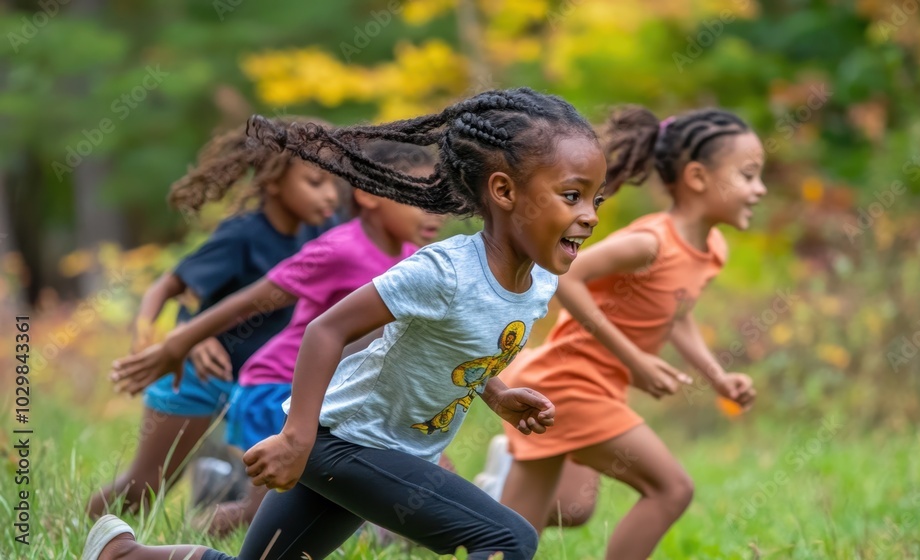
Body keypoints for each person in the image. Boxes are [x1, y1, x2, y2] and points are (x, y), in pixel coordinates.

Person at [84, 87, 607, 560]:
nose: (590, 215)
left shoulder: (539, 285)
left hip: (376, 447)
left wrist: (495, 394)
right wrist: (296, 439)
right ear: (503, 190)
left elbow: (454, 344)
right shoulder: (444, 270)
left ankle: (122, 555)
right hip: (347, 443)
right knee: (507, 540)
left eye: (595, 199)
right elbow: (326, 330)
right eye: (572, 195)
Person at [109, 141, 445, 536]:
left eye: (438, 199)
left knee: (352, 499)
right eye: (418, 198)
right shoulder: (338, 248)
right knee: (258, 511)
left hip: (325, 394)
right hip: (275, 389)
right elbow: (246, 302)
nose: (434, 210)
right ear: (369, 195)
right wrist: (178, 342)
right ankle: (183, 536)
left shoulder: (410, 258)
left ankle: (212, 498)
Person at [490, 106, 765, 560]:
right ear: (697, 177)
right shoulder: (650, 242)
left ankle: (477, 497)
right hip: (570, 381)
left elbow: (675, 313)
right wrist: (635, 361)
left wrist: (717, 376)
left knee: (557, 516)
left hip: (592, 386)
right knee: (671, 489)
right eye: (749, 175)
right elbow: (567, 279)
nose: (760, 189)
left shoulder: (711, 249)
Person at [86, 117, 341, 520]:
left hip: (265, 386)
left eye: (334, 184)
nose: (329, 195)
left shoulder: (327, 233)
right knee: (146, 486)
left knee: (278, 496)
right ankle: (78, 528)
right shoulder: (241, 235)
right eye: (315, 183)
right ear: (273, 182)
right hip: (201, 377)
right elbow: (168, 286)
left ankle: (214, 511)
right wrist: (154, 334)